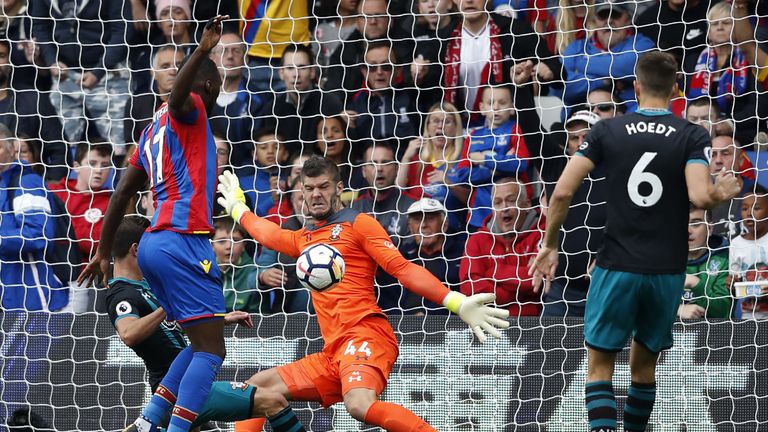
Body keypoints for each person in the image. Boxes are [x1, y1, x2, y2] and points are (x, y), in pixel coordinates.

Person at [79, 17, 304, 432]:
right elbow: (180, 93)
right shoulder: (191, 109)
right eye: (214, 87)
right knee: (211, 352)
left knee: (198, 339)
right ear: (210, 88)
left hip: (153, 244)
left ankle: (151, 421)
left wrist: (101, 249)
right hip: (185, 241)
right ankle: (177, 430)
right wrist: (201, 51)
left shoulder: (149, 134)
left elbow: (120, 195)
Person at [215, 155, 510, 431]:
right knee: (257, 389)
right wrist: (238, 209)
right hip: (333, 353)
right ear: (301, 194)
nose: (316, 194)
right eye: (309, 188)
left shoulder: (359, 223)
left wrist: (456, 302)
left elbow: (402, 268)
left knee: (358, 405)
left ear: (339, 189)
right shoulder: (305, 239)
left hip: (366, 335)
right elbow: (269, 234)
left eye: (323, 187)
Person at [530, 51, 741, 432]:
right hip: (666, 270)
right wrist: (721, 192)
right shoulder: (692, 134)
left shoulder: (607, 131)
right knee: (643, 371)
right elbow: (700, 196)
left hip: (616, 265)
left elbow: (561, 193)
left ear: (636, 87)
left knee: (599, 369)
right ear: (676, 89)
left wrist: (550, 243)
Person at [106, 216, 304, 431]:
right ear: (136, 250)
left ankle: (149, 424)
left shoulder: (147, 285)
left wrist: (219, 320)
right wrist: (166, 305)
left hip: (185, 384)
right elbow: (128, 333)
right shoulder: (122, 294)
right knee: (273, 401)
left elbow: (171, 328)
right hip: (178, 388)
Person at [30, 0, 129, 153]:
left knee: (119, 147)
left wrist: (99, 71)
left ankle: (119, 176)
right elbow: (40, 26)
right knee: (61, 146)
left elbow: (122, 30)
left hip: (109, 75)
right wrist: (52, 61)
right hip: (65, 76)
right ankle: (69, 176)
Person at [453, 84, 531, 231]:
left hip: (513, 210)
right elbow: (462, 176)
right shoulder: (474, 136)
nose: (496, 107)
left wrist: (484, 160)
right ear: (482, 107)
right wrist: (497, 169)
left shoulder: (516, 130)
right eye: (490, 103)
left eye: (502, 103)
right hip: (479, 210)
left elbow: (520, 164)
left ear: (512, 107)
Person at [461, 178, 544, 316]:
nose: (504, 208)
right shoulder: (477, 240)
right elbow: (469, 287)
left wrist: (494, 271)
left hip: (532, 323)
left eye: (511, 200)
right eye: (498, 203)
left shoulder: (543, 233)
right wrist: (509, 295)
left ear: (527, 204)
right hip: (487, 321)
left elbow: (534, 282)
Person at [560, 1, 655, 112]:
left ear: (628, 19)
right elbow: (561, 87)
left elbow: (624, 66)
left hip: (627, 119)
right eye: (603, 15)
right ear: (595, 20)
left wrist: (581, 63)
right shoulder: (576, 48)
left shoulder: (642, 44)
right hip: (581, 120)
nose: (609, 21)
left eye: (615, 15)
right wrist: (606, 81)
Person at [397, 102, 469, 232]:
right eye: (435, 121)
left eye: (447, 122)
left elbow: (471, 201)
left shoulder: (464, 160)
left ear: (456, 128)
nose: (440, 126)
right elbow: (398, 194)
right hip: (419, 234)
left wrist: (449, 183)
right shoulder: (416, 162)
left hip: (454, 233)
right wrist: (406, 158)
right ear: (428, 127)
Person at [401, 198, 466, 314]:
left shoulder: (461, 254)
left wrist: (428, 315)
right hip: (400, 324)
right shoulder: (402, 256)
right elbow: (387, 295)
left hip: (445, 325)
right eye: (417, 220)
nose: (423, 225)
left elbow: (462, 296)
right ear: (410, 228)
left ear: (444, 225)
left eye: (430, 219)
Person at [124, 46, 185, 145]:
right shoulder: (137, 104)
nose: (173, 71)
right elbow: (131, 147)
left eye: (179, 65)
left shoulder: (201, 102)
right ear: (153, 73)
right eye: (165, 66)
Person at [680, 206, 731, 320]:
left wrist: (695, 283)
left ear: (710, 228)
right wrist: (677, 309)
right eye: (682, 223)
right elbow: (642, 305)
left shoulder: (724, 260)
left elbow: (722, 312)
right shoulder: (662, 259)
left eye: (696, 224)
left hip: (712, 335)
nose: (688, 230)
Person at [729, 188, 768, 320]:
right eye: (745, 209)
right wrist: (731, 285)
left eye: (756, 208)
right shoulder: (736, 244)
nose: (749, 213)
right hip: (749, 317)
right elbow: (735, 288)